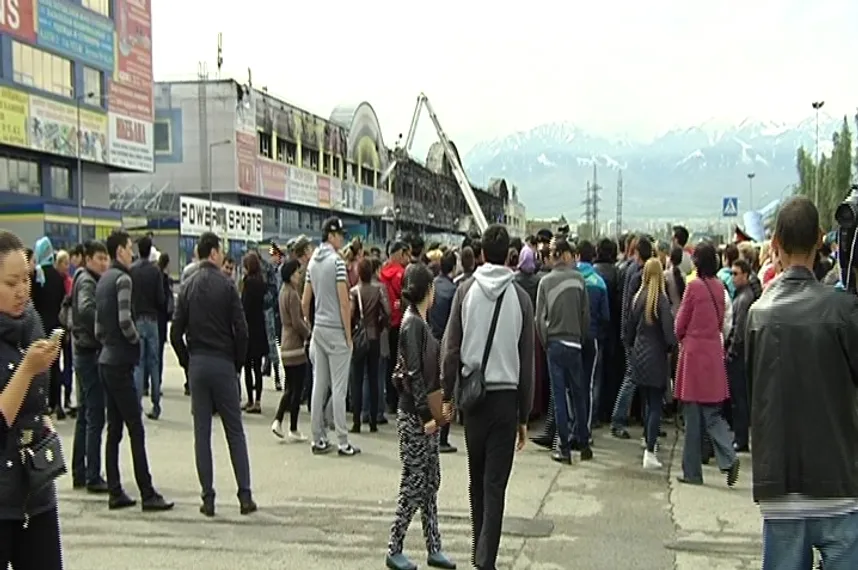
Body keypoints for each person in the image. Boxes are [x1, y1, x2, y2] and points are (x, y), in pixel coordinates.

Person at [747, 197, 858, 569]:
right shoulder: (844, 310)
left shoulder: (758, 315)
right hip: (839, 484)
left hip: (780, 486)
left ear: (775, 243)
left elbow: (753, 392)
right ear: (820, 239)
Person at [441, 223, 534, 570]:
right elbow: (527, 361)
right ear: (509, 255)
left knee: (476, 480)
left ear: (481, 253)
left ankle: (479, 552)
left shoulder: (465, 291)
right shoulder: (521, 299)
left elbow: (451, 350)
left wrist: (447, 397)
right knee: (495, 485)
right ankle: (485, 560)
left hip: (473, 397)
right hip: (506, 399)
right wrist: (524, 415)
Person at [170, 231, 256, 517]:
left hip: (198, 362)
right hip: (223, 362)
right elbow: (242, 330)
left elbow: (175, 333)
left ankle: (208, 498)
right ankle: (244, 495)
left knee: (202, 433)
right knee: (234, 430)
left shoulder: (187, 286)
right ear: (215, 253)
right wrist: (237, 364)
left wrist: (187, 362)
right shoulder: (227, 285)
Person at [0, 230, 65, 569]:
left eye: (26, 278)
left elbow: (36, 400)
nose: (22, 291)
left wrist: (43, 422)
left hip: (35, 490)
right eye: (11, 283)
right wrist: (26, 370)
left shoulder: (31, 321)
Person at [385, 263, 456, 570]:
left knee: (430, 481)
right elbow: (414, 372)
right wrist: (427, 415)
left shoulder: (416, 321)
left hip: (425, 411)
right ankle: (394, 546)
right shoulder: (413, 324)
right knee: (415, 481)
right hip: (416, 415)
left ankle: (433, 545)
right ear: (429, 290)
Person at [95, 229, 173, 512]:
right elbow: (125, 319)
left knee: (114, 429)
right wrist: (135, 340)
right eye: (128, 248)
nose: (131, 252)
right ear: (120, 251)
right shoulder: (123, 280)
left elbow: (98, 326)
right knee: (135, 429)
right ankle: (147, 492)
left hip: (106, 358)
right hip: (121, 361)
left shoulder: (103, 279)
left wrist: (110, 342)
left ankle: (115, 490)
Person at [673, 241, 739, 487]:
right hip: (713, 353)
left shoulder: (693, 287)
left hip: (693, 355)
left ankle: (692, 472)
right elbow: (722, 321)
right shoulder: (720, 287)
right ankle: (729, 456)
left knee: (692, 418)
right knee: (712, 414)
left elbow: (680, 324)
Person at [302, 217, 359, 456]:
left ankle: (318, 438)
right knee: (339, 388)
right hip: (336, 329)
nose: (342, 239)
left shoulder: (312, 263)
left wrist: (310, 323)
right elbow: (344, 302)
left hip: (319, 329)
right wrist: (348, 335)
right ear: (332, 235)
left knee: (319, 384)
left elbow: (305, 301)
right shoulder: (337, 263)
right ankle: (343, 441)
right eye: (340, 235)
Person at [536, 237, 592, 464]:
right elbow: (585, 315)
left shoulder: (545, 282)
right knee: (579, 394)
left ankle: (564, 448)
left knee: (559, 396)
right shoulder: (579, 280)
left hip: (555, 343)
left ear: (552, 256)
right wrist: (580, 337)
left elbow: (539, 319)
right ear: (567, 255)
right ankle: (584, 443)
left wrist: (546, 342)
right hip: (574, 343)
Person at [626, 257, 676, 469]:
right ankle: (650, 449)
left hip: (639, 353)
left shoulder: (638, 298)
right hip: (656, 356)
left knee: (647, 402)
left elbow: (629, 329)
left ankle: (648, 439)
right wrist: (671, 348)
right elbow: (669, 334)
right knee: (656, 405)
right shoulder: (661, 301)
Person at [71, 240, 110, 494]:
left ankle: (80, 471)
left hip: (82, 350)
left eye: (106, 258)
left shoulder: (82, 277)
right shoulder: (87, 281)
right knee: (95, 415)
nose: (104, 263)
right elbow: (86, 309)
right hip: (89, 353)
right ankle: (93, 474)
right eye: (99, 258)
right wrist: (103, 326)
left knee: (85, 415)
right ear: (88, 259)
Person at [611, 237, 653, 439]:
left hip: (629, 331)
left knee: (637, 376)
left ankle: (647, 420)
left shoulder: (630, 270)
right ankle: (619, 419)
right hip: (635, 334)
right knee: (633, 376)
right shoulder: (639, 275)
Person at [272, 260, 311, 442]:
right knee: (296, 388)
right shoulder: (293, 294)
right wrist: (308, 333)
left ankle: (279, 420)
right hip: (295, 345)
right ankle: (292, 427)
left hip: (285, 342)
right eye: (296, 273)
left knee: (290, 387)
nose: (299, 275)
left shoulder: (282, 292)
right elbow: (297, 322)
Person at [349, 258, 389, 433]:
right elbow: (387, 312)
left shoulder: (354, 291)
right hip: (374, 338)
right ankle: (373, 421)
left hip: (359, 339)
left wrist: (352, 331)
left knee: (357, 380)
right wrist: (381, 326)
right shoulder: (379, 290)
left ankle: (356, 422)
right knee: (374, 379)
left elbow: (351, 314)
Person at [129, 236, 166, 419]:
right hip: (152, 319)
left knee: (139, 363)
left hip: (137, 319)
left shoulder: (132, 270)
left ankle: (136, 405)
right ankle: (156, 404)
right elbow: (161, 298)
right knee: (154, 362)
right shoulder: (155, 271)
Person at [577, 240, 610, 435]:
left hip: (573, 336)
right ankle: (589, 424)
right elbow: (606, 315)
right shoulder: (599, 282)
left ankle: (573, 425)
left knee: (572, 382)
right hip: (593, 336)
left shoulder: (571, 278)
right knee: (590, 383)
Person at [31, 236, 66, 420]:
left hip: (39, 326)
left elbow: (33, 302)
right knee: (55, 365)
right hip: (57, 326)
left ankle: (42, 403)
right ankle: (56, 401)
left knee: (40, 368)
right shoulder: (58, 277)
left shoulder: (37, 276)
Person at [427, 250, 457, 453]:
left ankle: (430, 431)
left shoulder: (432, 286)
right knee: (446, 390)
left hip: (430, 338)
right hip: (446, 342)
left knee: (431, 388)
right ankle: (442, 437)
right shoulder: (453, 290)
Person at [726, 258, 754, 453]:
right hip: (738, 354)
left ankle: (741, 437)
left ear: (745, 275)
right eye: (732, 274)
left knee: (739, 398)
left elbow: (739, 330)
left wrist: (731, 352)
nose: (733, 278)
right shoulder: (741, 296)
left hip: (738, 356)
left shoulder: (744, 299)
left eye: (736, 274)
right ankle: (739, 436)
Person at [380, 241, 409, 414]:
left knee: (387, 363)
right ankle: (398, 398)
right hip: (400, 322)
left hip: (386, 323)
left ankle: (389, 398)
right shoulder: (402, 274)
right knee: (400, 362)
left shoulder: (382, 273)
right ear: (399, 254)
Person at [241, 252, 268, 413]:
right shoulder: (261, 283)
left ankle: (250, 400)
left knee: (247, 366)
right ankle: (258, 400)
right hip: (260, 327)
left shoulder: (247, 282)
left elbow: (244, 306)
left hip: (249, 328)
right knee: (257, 367)